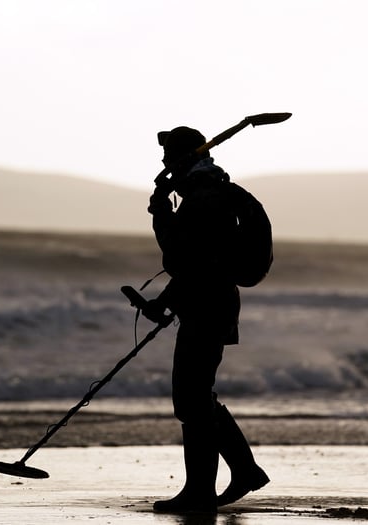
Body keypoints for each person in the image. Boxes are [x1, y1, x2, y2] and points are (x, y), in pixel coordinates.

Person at [142, 126, 269, 513]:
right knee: (196, 397)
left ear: (182, 158)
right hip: (208, 301)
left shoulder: (203, 199)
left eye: (168, 156)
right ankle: (244, 470)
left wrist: (161, 214)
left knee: (192, 398)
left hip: (208, 303)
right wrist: (167, 301)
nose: (163, 163)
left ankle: (201, 491)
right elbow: (194, 263)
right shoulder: (205, 192)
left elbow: (186, 258)